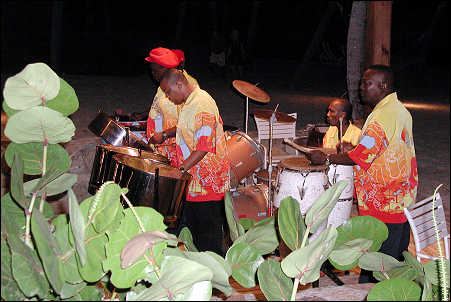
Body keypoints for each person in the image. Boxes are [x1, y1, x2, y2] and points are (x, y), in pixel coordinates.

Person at [307, 65, 418, 283]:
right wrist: (356, 148)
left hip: (384, 203)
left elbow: (362, 157)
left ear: (383, 86)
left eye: (367, 83)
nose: (361, 88)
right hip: (401, 198)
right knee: (396, 263)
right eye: (361, 83)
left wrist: (326, 158)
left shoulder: (380, 117)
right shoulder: (399, 110)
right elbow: (378, 147)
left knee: (377, 269)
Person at [159, 68, 230, 256]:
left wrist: (179, 170)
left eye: (168, 92)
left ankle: (217, 283)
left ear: (179, 84)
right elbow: (188, 128)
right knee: (188, 237)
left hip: (208, 187)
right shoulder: (189, 103)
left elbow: (204, 146)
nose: (167, 97)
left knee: (209, 246)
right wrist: (165, 134)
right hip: (193, 183)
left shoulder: (202, 104)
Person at [142, 47, 199, 166]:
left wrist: (163, 135)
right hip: (162, 146)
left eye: (155, 71)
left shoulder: (185, 86)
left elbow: (189, 123)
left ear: (164, 68)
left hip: (177, 150)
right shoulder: (164, 84)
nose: (152, 74)